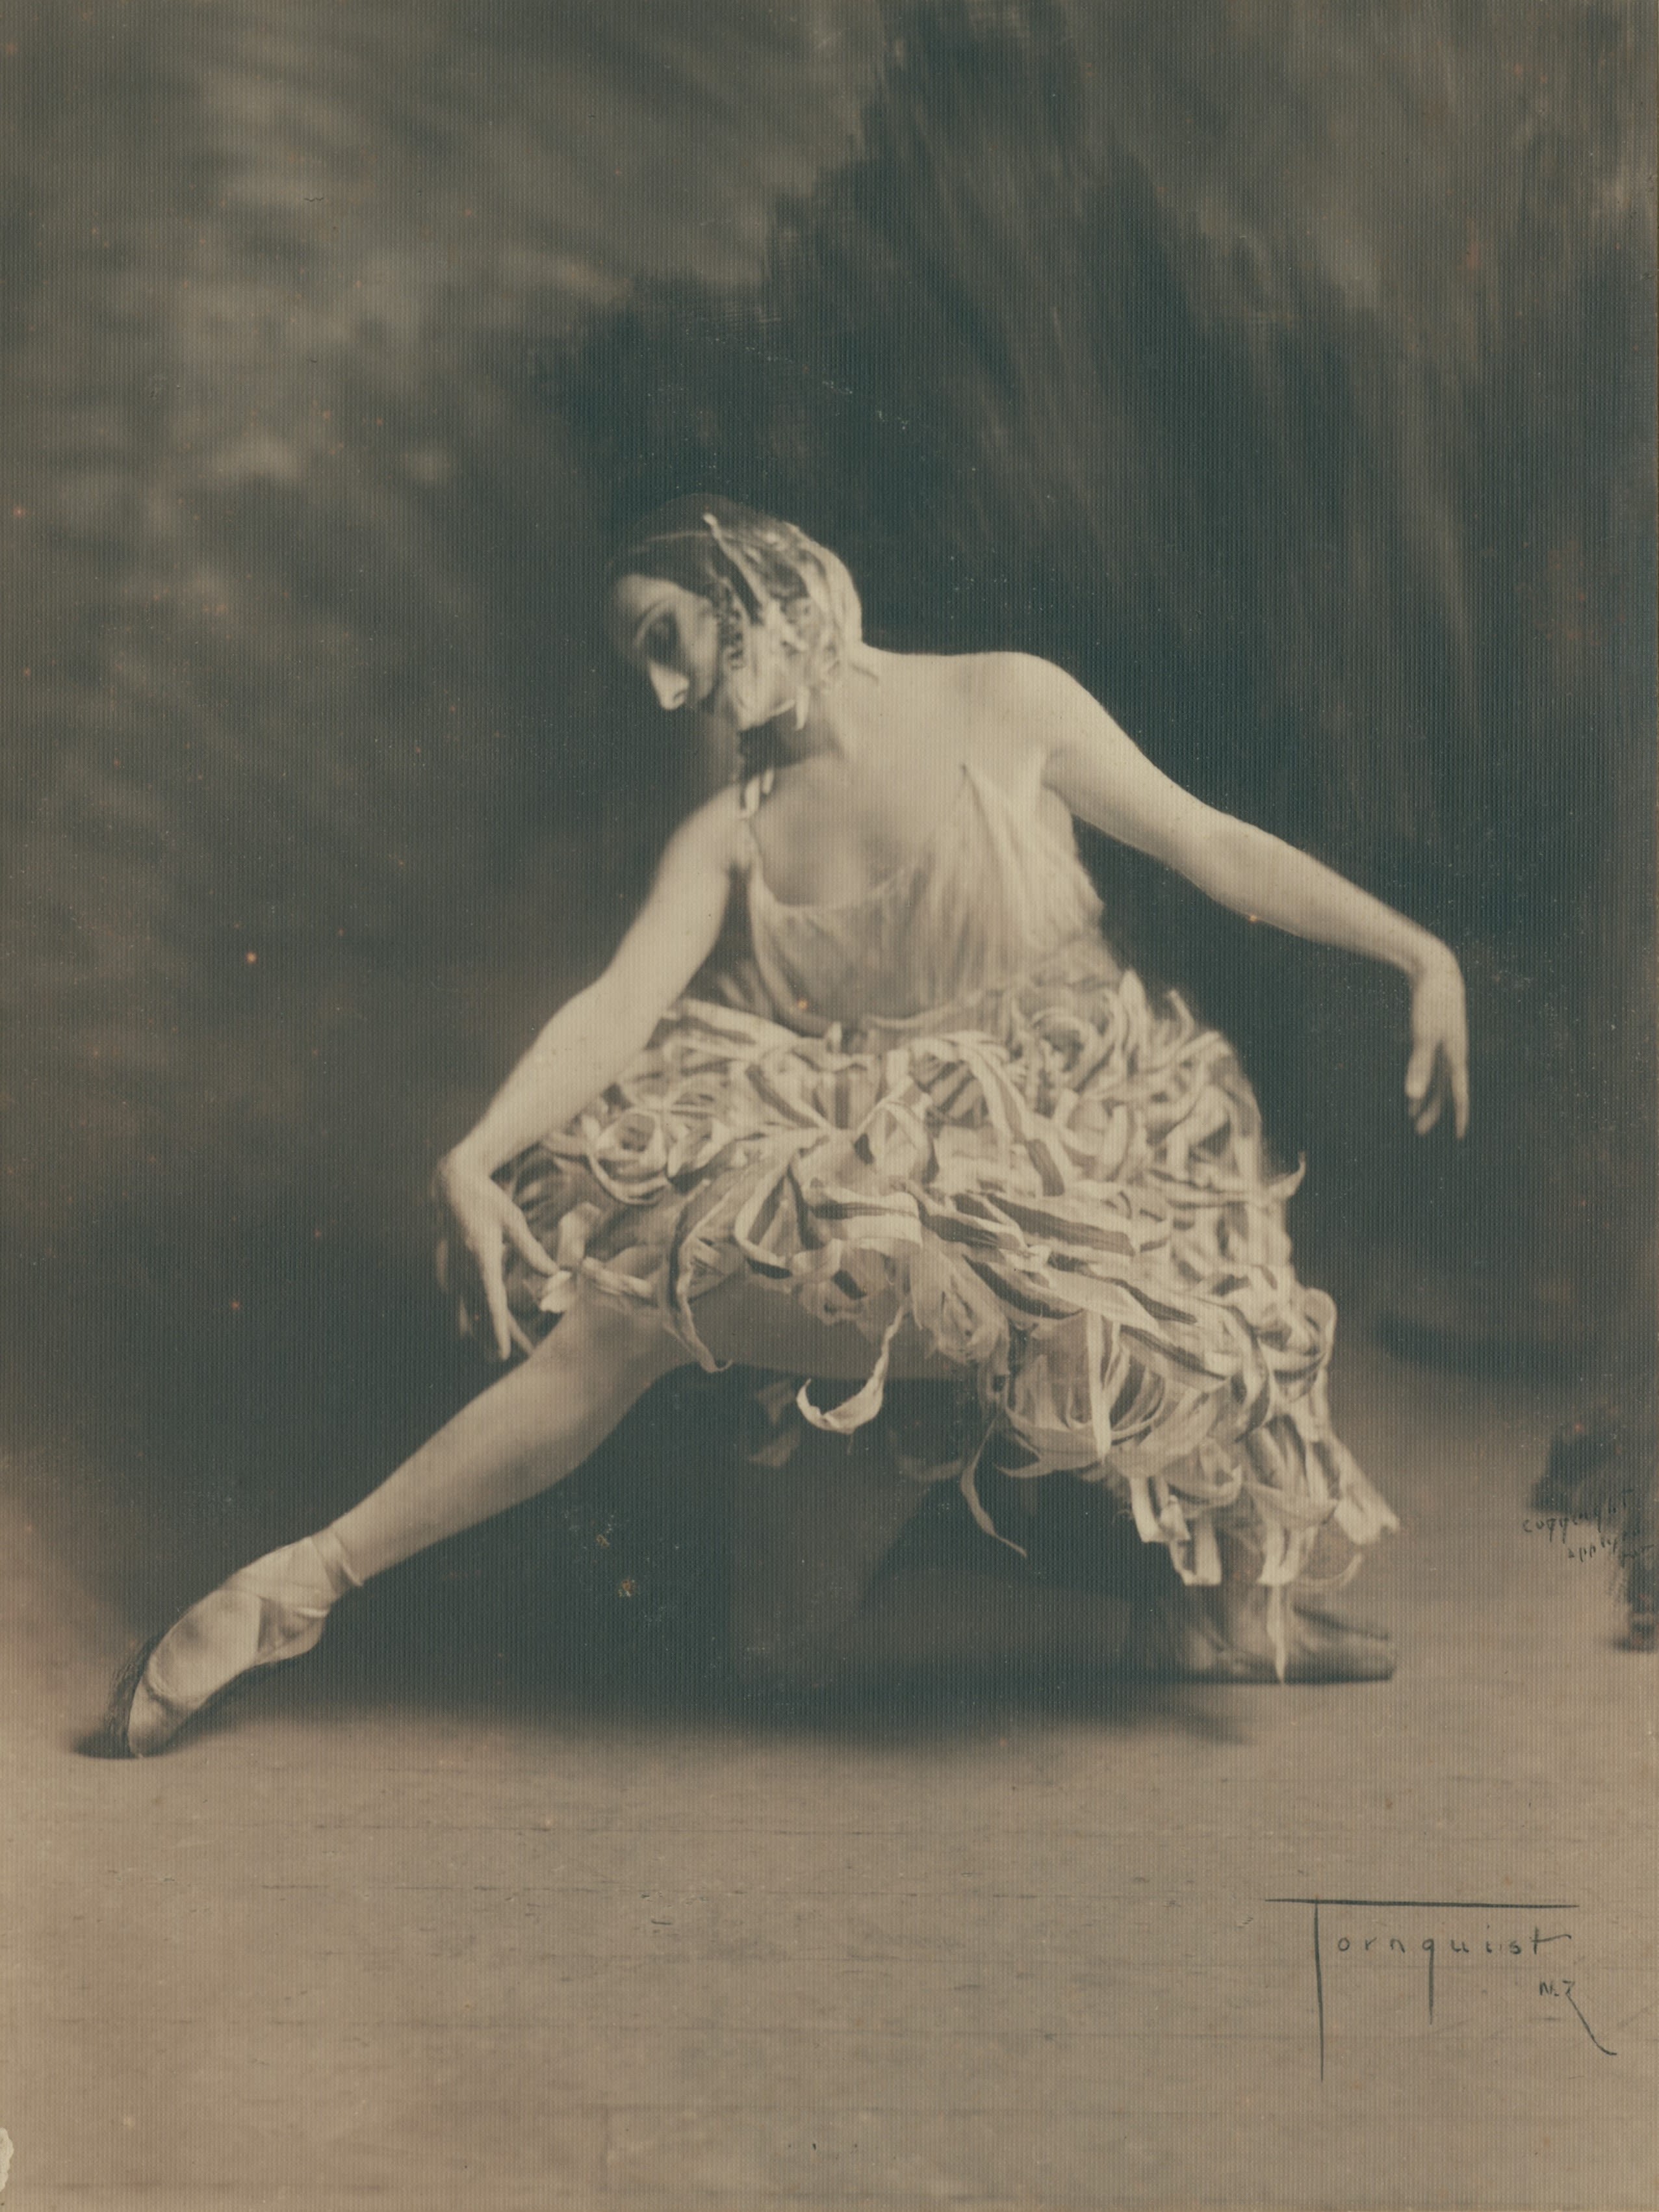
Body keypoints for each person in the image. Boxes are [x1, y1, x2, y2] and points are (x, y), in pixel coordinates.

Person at [101, 496, 1469, 1755]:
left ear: (743, 576)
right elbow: (616, 1007)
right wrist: (469, 1149)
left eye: (667, 638)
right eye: (646, 664)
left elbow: (1209, 842)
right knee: (731, 1544)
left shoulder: (1003, 699)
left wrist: (1416, 953)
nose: (668, 688)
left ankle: (1213, 1615)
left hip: (1085, 1133)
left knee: (1166, 1278)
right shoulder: (730, 833)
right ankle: (297, 1584)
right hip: (885, 1165)